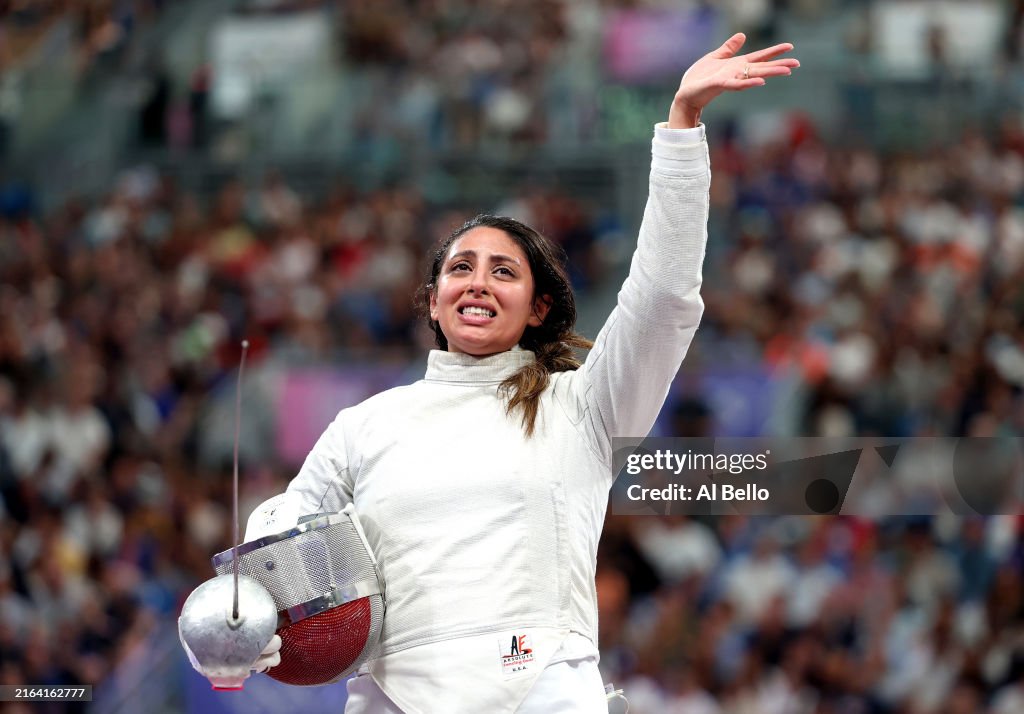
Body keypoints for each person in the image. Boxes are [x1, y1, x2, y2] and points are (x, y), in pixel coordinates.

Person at [219, 32, 798, 713]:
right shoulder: (365, 426)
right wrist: (248, 608)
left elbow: (665, 297)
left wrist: (681, 127)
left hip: (545, 693)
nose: (478, 283)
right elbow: (287, 534)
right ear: (433, 300)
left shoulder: (583, 407)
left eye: (503, 271)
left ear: (537, 306)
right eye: (460, 268)